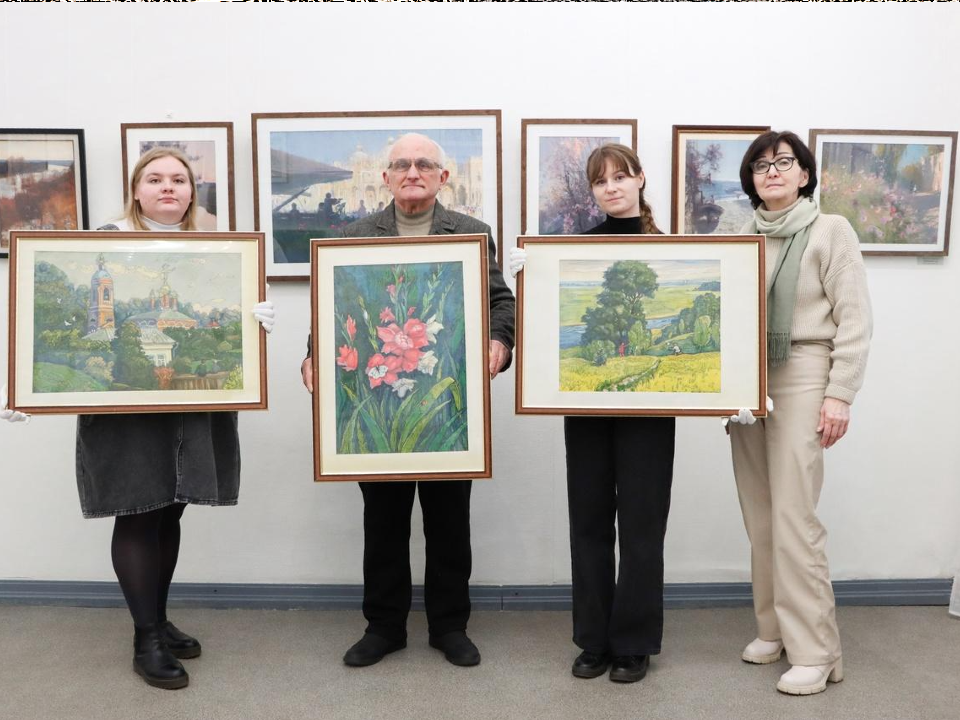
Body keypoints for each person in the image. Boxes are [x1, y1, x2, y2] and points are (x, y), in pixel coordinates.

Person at [3, 147, 276, 690]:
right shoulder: (102, 242)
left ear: (193, 191)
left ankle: (158, 616)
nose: (168, 187)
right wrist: (25, 388)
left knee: (171, 510)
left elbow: (225, 327)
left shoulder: (217, 248)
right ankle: (144, 637)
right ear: (136, 189)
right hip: (125, 412)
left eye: (179, 179)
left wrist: (253, 323)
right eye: (155, 179)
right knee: (136, 510)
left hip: (192, 410)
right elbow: (35, 315)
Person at [301, 133, 515, 668]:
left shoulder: (471, 233)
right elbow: (335, 304)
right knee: (384, 522)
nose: (413, 171)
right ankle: (384, 627)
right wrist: (313, 354)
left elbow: (499, 301)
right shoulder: (353, 235)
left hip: (447, 405)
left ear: (443, 177)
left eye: (425, 164)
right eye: (402, 164)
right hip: (376, 401)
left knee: (449, 523)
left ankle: (449, 627)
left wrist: (500, 341)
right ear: (386, 177)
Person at [510, 143, 674, 683]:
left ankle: (634, 643)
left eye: (621, 176)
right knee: (588, 520)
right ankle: (594, 640)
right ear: (594, 191)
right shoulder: (570, 251)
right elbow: (546, 330)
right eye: (601, 181)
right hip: (583, 408)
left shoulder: (670, 249)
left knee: (643, 524)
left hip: (649, 412)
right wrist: (527, 280)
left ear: (641, 179)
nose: (612, 187)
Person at [726, 131, 872, 696]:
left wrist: (840, 393)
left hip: (806, 370)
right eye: (761, 166)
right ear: (752, 180)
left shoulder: (830, 231)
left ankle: (816, 650)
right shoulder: (740, 237)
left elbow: (855, 319)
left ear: (804, 174)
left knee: (794, 515)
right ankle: (774, 629)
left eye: (784, 162)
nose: (773, 172)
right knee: (759, 513)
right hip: (746, 378)